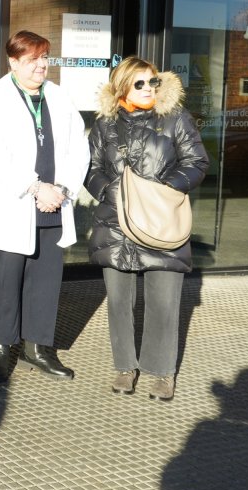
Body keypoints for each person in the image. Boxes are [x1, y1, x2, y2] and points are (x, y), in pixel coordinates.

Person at [85, 57, 207, 401]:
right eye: (139, 83)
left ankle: (162, 372)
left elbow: (197, 162)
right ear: (122, 87)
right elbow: (91, 168)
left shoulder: (175, 119)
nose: (148, 89)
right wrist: (108, 190)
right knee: (119, 301)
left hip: (161, 221)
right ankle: (125, 366)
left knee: (164, 302)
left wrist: (166, 189)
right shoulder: (105, 125)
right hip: (116, 223)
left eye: (153, 82)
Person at [0, 30, 89, 384]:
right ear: (13, 62)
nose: (41, 66)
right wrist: (35, 187)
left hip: (54, 202)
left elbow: (78, 147)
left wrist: (62, 188)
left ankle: (38, 349)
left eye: (44, 58)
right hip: (14, 203)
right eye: (32, 60)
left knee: (45, 278)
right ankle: (0, 349)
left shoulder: (58, 96)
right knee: (6, 280)